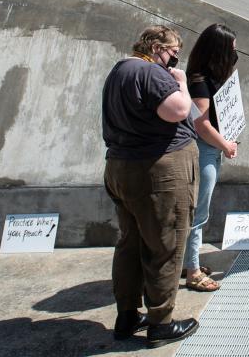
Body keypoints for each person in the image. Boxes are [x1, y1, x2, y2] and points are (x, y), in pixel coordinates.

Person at [102, 26, 199, 346]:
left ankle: (127, 314)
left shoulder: (119, 70)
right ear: (157, 47)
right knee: (165, 245)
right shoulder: (151, 72)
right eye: (173, 53)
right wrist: (181, 84)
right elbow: (178, 110)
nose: (174, 60)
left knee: (130, 242)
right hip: (157, 171)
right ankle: (161, 322)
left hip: (120, 166)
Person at [182, 24, 240, 291]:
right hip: (204, 150)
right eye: (232, 50)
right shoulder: (199, 81)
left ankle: (188, 262)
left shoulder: (209, 78)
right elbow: (201, 124)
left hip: (211, 148)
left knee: (198, 210)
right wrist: (225, 145)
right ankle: (193, 271)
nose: (235, 55)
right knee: (199, 212)